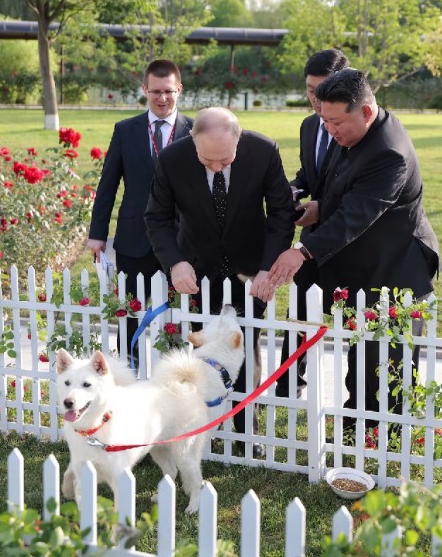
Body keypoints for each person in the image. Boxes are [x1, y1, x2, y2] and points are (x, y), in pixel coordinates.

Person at [268, 68, 441, 437]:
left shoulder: (389, 152)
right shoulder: (354, 132)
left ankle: (380, 438)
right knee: (361, 354)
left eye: (336, 122)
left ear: (365, 111)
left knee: (384, 363)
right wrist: (320, 208)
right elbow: (344, 189)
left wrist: (303, 251)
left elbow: (357, 214)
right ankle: (355, 430)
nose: (329, 129)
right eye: (324, 120)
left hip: (396, 269)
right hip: (364, 264)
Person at [144, 107, 294, 458]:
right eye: (206, 159)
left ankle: (247, 434)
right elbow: (157, 217)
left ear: (238, 140)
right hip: (197, 271)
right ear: (192, 141)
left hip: (250, 273)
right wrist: (176, 263)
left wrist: (267, 268)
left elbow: (281, 214)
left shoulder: (264, 151)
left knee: (246, 348)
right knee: (202, 352)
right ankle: (201, 428)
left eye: (224, 159)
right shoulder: (172, 159)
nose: (215, 167)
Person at [87, 59, 194, 358]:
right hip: (134, 239)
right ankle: (128, 369)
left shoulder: (195, 130)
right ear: (145, 90)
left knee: (176, 317)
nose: (163, 98)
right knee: (129, 314)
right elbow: (108, 185)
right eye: (156, 91)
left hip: (180, 240)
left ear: (179, 89)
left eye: (169, 91)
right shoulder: (125, 130)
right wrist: (97, 234)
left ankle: (173, 373)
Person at [275, 49, 350, 399]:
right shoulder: (308, 126)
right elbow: (310, 174)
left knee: (354, 322)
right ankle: (289, 384)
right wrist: (294, 188)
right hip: (312, 237)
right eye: (310, 90)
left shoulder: (355, 129)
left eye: (324, 91)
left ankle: (357, 397)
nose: (317, 100)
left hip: (350, 237)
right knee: (299, 313)